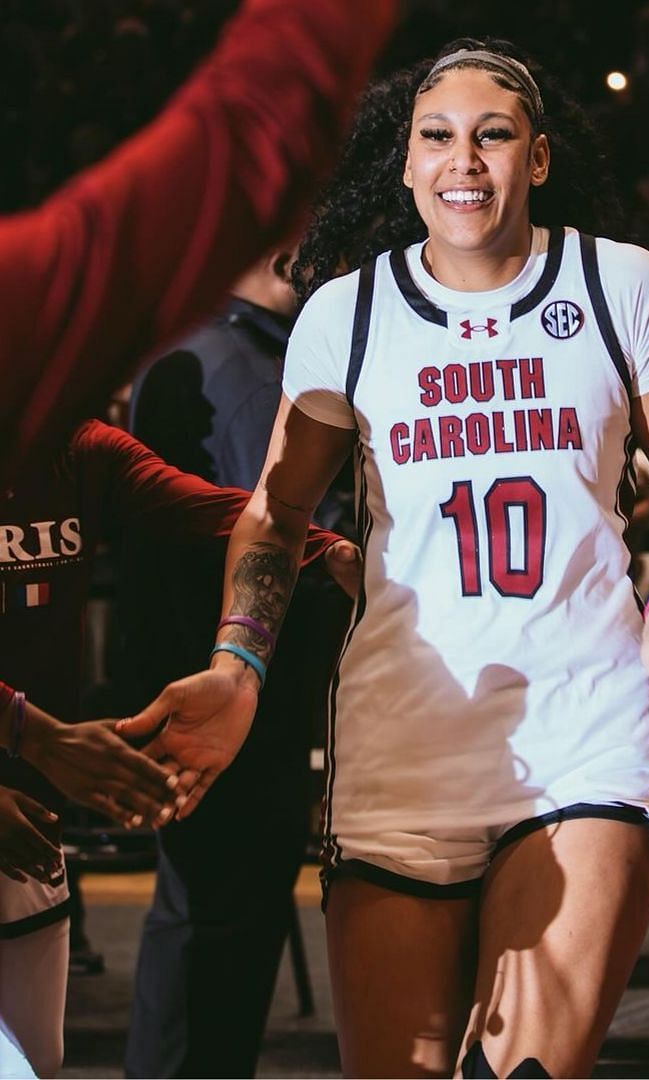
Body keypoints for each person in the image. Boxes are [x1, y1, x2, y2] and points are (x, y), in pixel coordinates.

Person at [118, 40, 649, 1075]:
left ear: (537, 158)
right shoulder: (346, 314)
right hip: (401, 744)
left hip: (583, 727)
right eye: (437, 138)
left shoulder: (619, 283)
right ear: (403, 165)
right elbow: (274, 515)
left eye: (493, 136)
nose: (465, 161)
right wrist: (240, 667)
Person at [1, 420, 355, 1077]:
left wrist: (331, 550)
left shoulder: (79, 448)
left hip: (33, 813)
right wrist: (33, 733)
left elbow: (211, 508)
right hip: (31, 771)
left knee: (35, 1061)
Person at [118, 250, 357, 1076]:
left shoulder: (189, 349)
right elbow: (296, 549)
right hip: (241, 699)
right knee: (217, 939)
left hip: (190, 682)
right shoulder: (257, 371)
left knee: (198, 929)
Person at [0, 0, 398, 484]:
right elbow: (254, 137)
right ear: (280, 259)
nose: (354, 274)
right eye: (342, 255)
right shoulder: (254, 381)